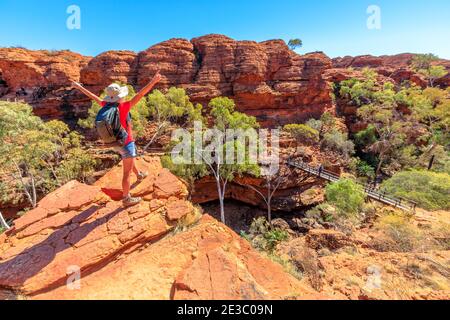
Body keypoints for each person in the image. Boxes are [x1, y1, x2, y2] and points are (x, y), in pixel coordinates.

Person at [72, 72, 162, 206]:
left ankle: (139, 175)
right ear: (119, 97)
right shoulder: (124, 107)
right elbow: (141, 94)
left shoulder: (106, 105)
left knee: (129, 159)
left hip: (115, 142)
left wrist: (79, 87)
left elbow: (93, 96)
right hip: (126, 142)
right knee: (126, 172)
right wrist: (153, 81)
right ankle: (126, 198)